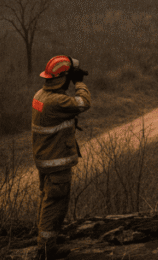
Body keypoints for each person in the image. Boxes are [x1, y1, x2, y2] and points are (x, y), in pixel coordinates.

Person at [32, 55, 91, 259]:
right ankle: (46, 248)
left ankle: (47, 237)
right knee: (55, 202)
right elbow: (83, 103)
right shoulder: (57, 101)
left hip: (45, 158)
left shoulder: (40, 95)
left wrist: (69, 78)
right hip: (56, 162)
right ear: (63, 78)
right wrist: (79, 83)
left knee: (47, 198)